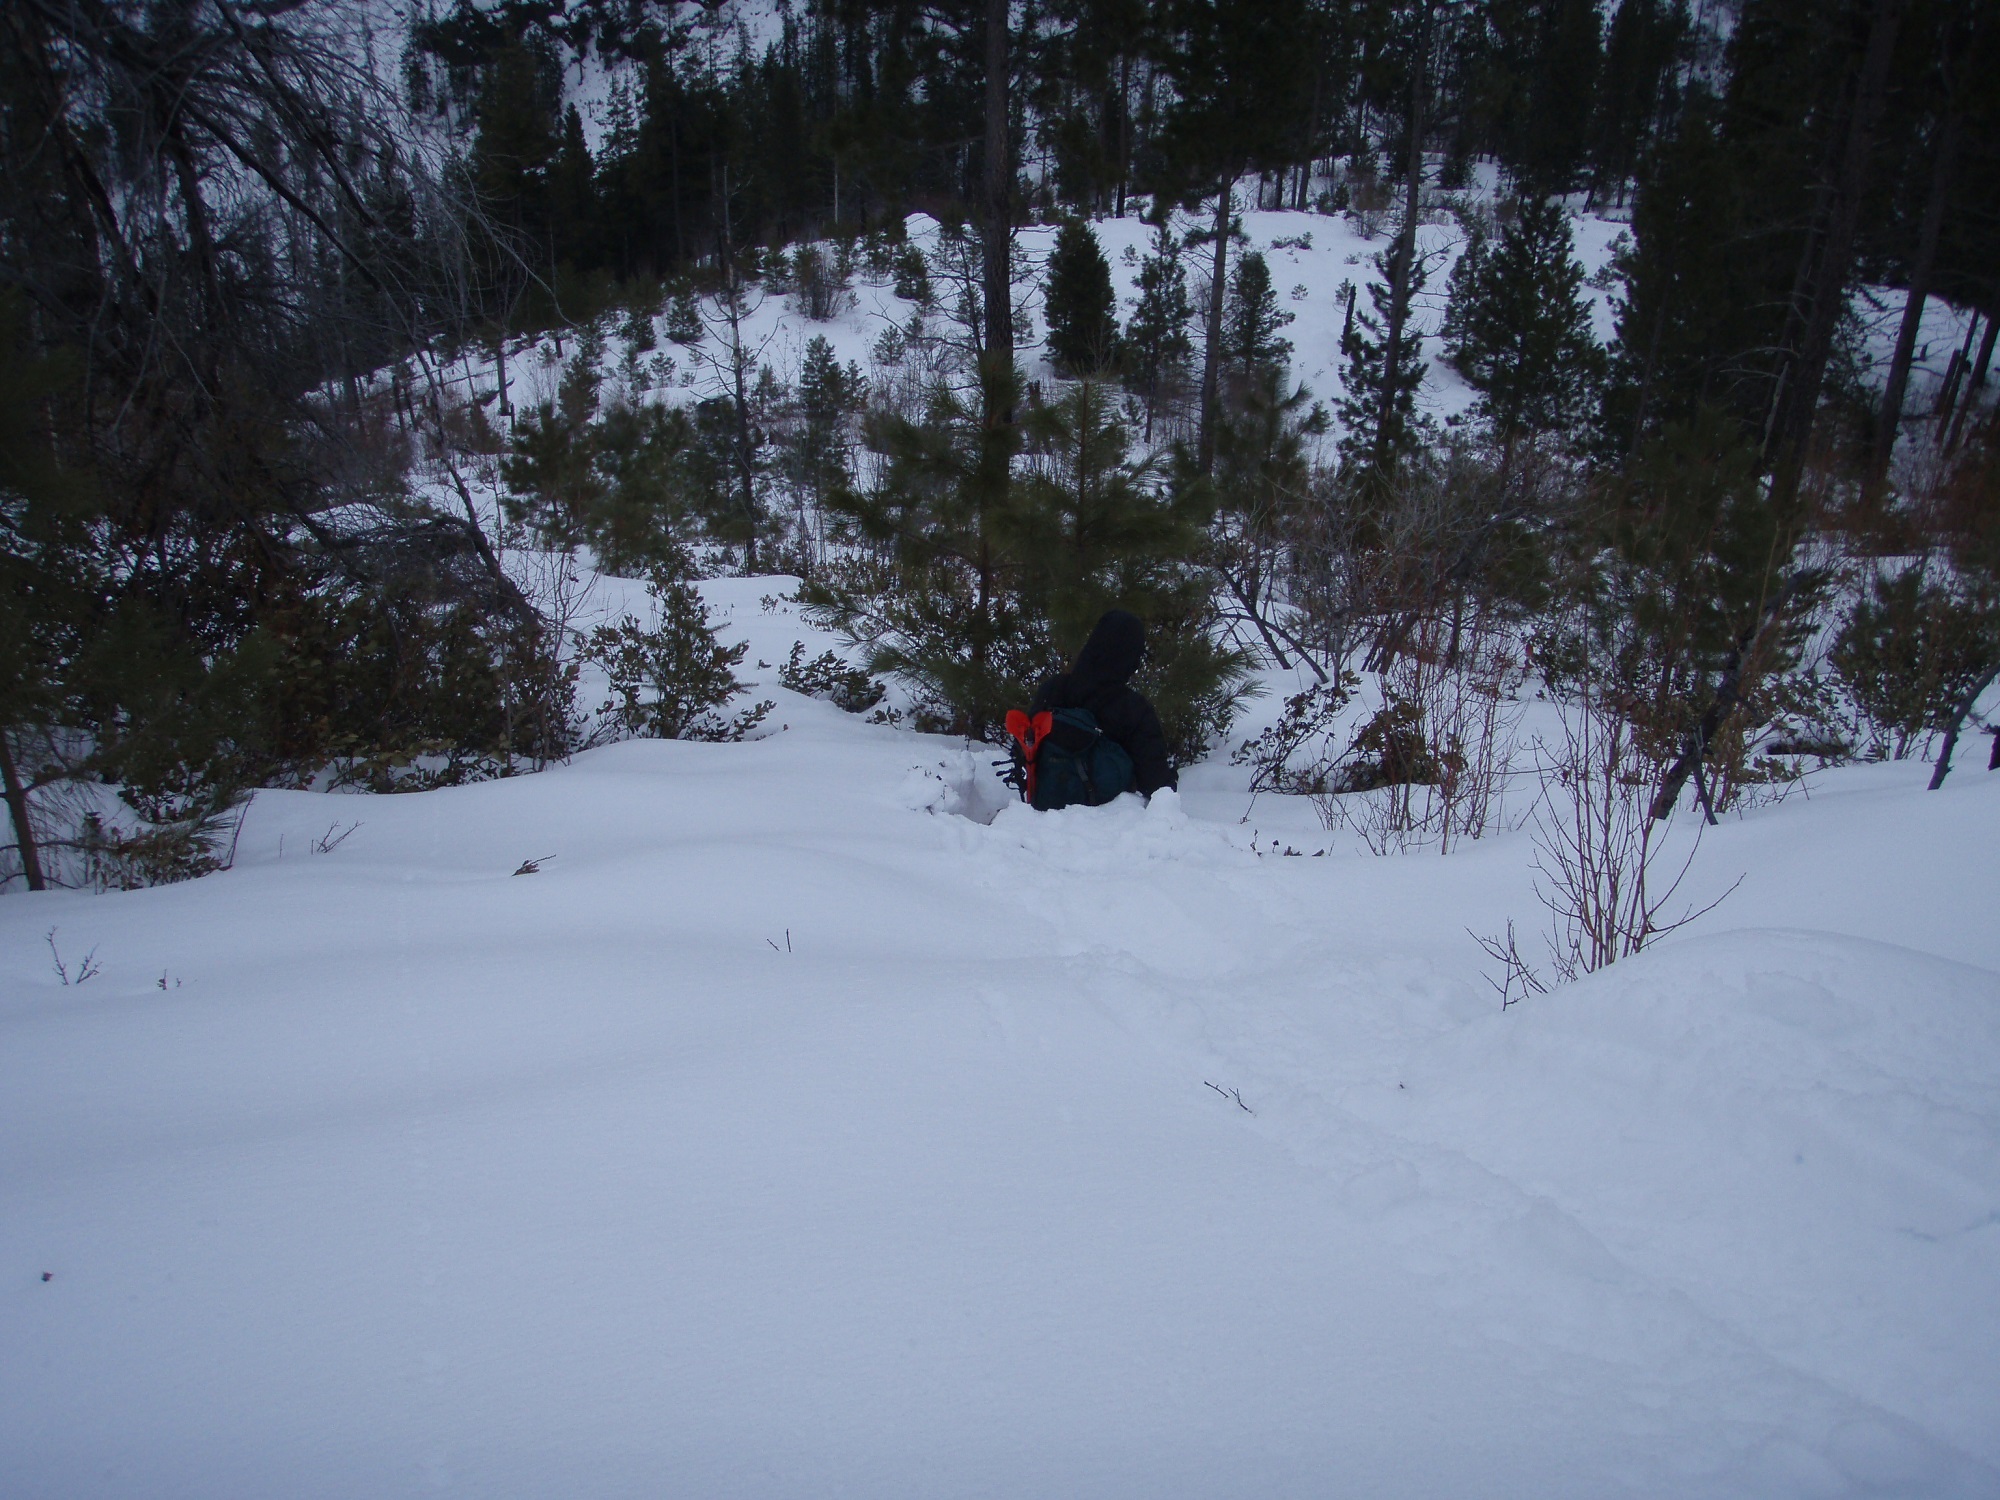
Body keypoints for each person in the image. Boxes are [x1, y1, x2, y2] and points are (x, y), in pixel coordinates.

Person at [1029, 609, 1177, 797]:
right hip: (1107, 820)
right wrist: (1171, 779)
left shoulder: (1054, 689)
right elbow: (1155, 785)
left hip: (1041, 809)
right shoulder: (1134, 709)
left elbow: (1026, 746)